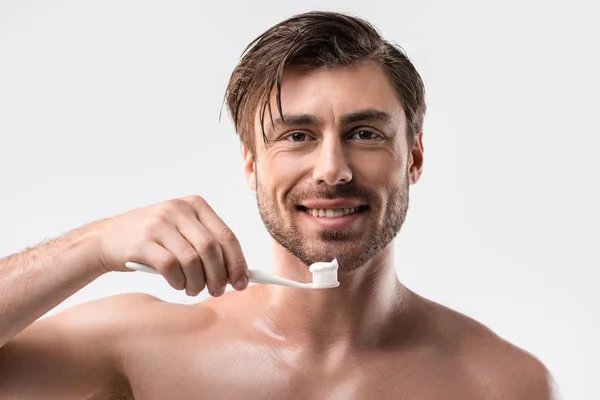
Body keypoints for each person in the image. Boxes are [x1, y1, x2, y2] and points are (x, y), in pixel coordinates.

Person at [0, 11, 561, 400]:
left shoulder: (507, 384)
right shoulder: (141, 348)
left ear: (412, 158)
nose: (332, 169)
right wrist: (92, 247)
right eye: (296, 135)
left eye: (365, 133)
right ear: (251, 164)